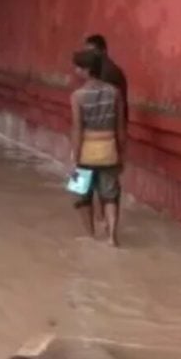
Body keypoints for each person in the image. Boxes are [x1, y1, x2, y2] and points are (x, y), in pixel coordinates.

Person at [70, 49, 127, 246]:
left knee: (81, 194)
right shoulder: (115, 93)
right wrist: (122, 154)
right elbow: (120, 127)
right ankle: (112, 236)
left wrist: (74, 157)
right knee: (110, 195)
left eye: (77, 67)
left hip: (86, 151)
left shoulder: (78, 96)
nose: (76, 70)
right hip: (109, 149)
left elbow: (77, 129)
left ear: (85, 70)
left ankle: (90, 235)